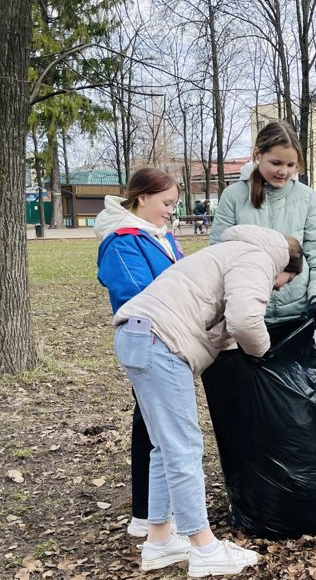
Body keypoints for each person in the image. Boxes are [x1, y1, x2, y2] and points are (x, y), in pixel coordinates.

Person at [112, 224, 302, 575]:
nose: (276, 290)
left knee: (164, 447)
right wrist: (263, 353)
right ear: (285, 268)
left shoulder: (234, 251)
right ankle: (203, 547)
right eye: (283, 283)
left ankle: (159, 540)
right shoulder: (262, 258)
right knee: (183, 448)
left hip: (137, 335)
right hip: (160, 341)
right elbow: (245, 319)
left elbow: (221, 321)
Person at [95, 168, 184, 538]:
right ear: (142, 198)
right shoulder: (122, 241)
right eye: (166, 203)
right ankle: (147, 514)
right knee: (151, 426)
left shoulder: (160, 237)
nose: (170, 212)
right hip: (147, 340)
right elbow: (139, 295)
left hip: (167, 338)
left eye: (174, 205)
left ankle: (154, 513)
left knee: (153, 423)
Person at [210, 120, 316, 332]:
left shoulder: (307, 198)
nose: (283, 171)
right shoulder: (233, 197)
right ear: (258, 154)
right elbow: (218, 255)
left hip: (298, 315)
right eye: (276, 163)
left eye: (291, 165)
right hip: (248, 315)